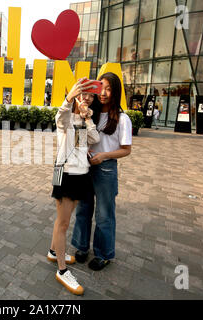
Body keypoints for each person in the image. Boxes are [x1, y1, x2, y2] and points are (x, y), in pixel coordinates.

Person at [71, 72, 132, 271]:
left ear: (115, 92)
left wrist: (104, 156)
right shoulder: (91, 113)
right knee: (83, 209)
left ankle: (103, 254)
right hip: (86, 167)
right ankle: (81, 247)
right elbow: (79, 134)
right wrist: (83, 149)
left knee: (104, 214)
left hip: (106, 170)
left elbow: (126, 150)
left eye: (108, 89)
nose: (103, 93)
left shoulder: (122, 119)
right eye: (101, 88)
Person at [48, 78, 101, 295]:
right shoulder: (68, 117)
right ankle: (62, 271)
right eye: (83, 94)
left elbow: (95, 138)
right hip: (65, 174)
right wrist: (68, 99)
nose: (86, 98)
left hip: (81, 174)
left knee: (62, 220)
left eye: (90, 95)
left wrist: (88, 118)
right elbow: (59, 118)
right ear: (76, 95)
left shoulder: (84, 119)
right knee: (63, 223)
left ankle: (53, 252)